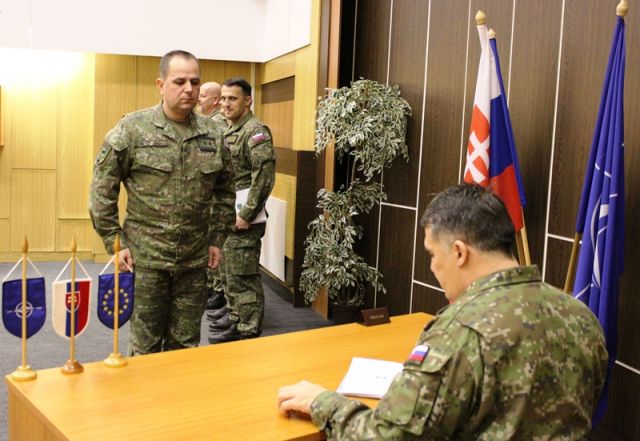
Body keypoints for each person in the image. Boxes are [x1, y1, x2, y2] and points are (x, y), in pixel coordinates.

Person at [278, 184, 608, 440]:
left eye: (433, 255)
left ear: (459, 252)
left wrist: (322, 402)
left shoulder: (461, 331)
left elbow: (386, 436)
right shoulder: (580, 316)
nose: (433, 267)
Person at [89, 50, 235, 355]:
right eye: (179, 82)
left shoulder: (213, 133)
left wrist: (216, 238)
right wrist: (114, 241)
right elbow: (102, 189)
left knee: (185, 347)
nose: (189, 89)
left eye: (194, 82)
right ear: (161, 84)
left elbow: (225, 191)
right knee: (146, 347)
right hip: (145, 260)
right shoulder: (133, 128)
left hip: (194, 261)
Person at [207, 77, 275, 343]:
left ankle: (248, 328)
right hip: (227, 215)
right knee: (228, 273)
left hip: (244, 217)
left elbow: (263, 177)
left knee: (243, 275)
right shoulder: (228, 128)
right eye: (223, 98)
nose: (225, 104)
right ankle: (236, 317)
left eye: (232, 99)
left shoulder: (255, 132)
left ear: (248, 101)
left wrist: (247, 213)